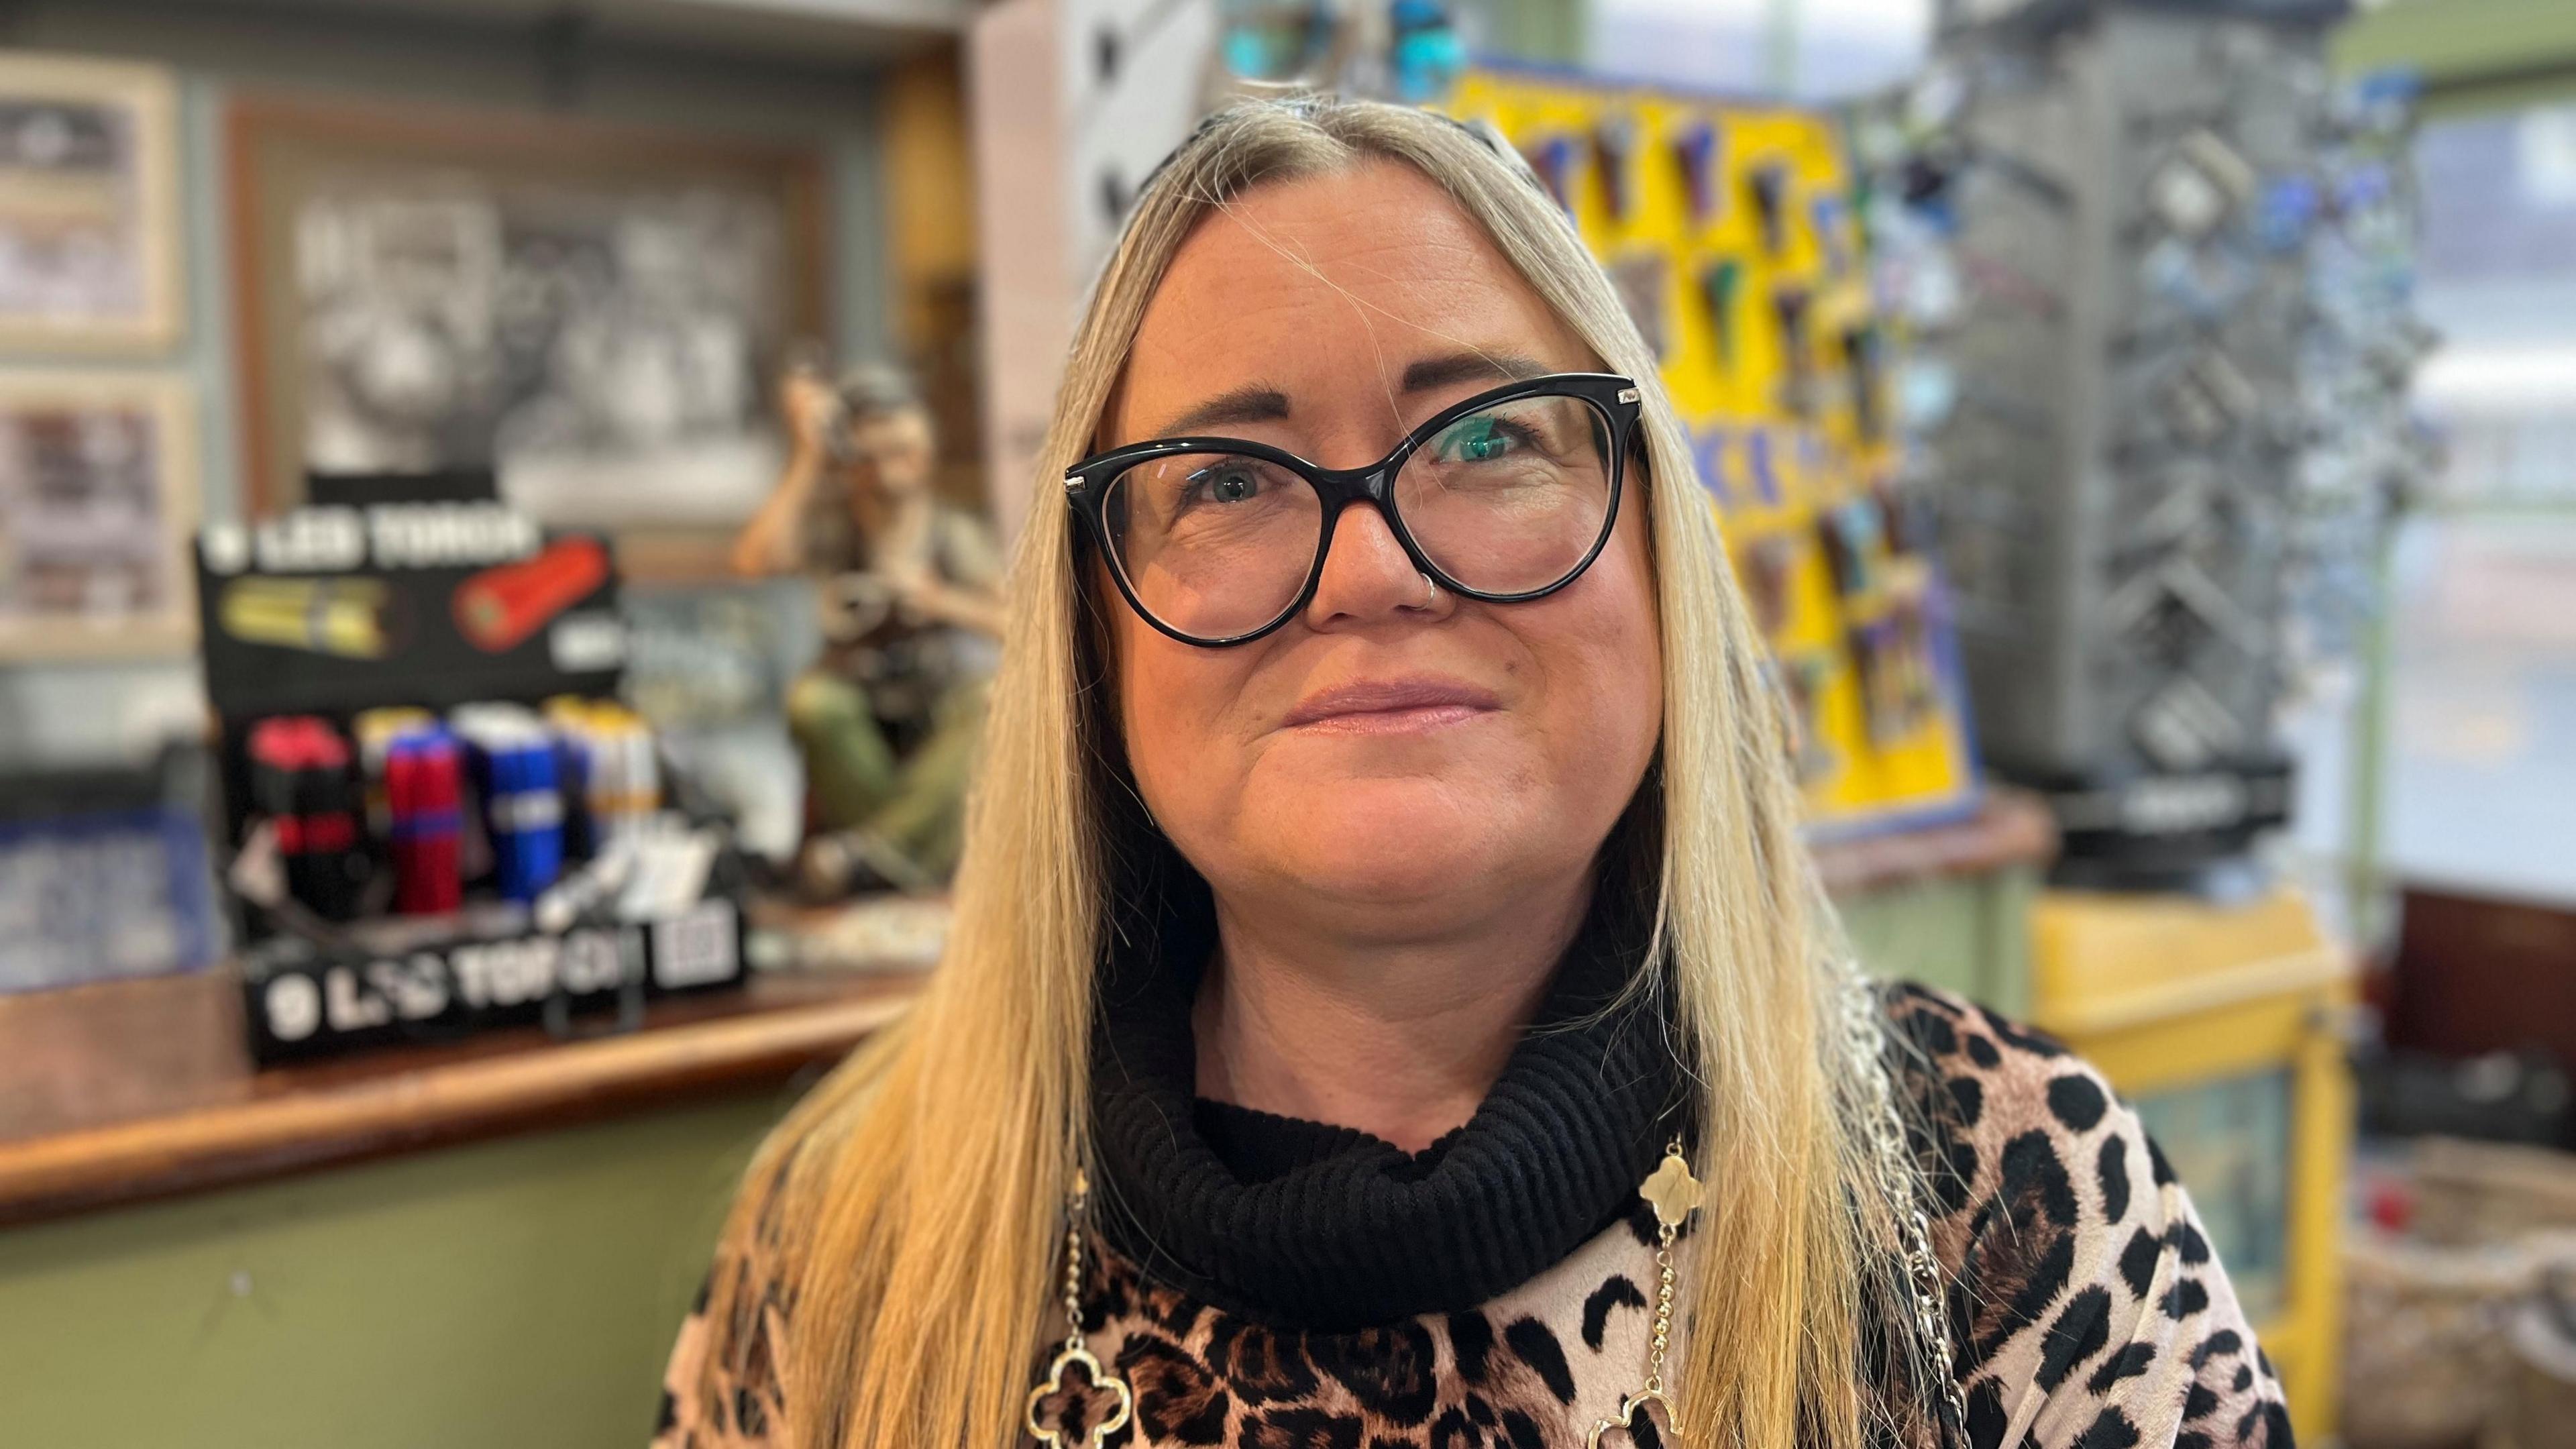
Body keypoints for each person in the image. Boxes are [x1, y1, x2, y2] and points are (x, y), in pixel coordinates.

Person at [660, 98, 2292, 1449]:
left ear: (1653, 542)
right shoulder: (859, 1227)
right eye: (1224, 476)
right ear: (1090, 631)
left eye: (1488, 437)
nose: (1369, 570)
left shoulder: (2003, 1199)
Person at [730, 360, 1002, 890]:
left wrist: (939, 601)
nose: (885, 471)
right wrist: (808, 456)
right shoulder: (835, 529)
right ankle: (898, 852)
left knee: (995, 694)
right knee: (813, 703)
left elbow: (1020, 624)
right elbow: (753, 560)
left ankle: (876, 857)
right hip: (859, 712)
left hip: (934, 706)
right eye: (870, 456)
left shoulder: (952, 533)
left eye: (899, 452)